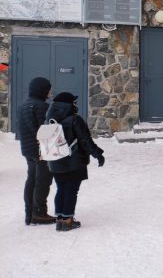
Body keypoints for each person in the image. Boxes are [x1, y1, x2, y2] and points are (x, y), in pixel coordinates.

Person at [45, 92, 105, 231]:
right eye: (73, 102)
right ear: (68, 104)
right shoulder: (74, 119)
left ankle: (60, 219)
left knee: (61, 189)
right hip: (74, 162)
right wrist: (98, 154)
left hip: (55, 161)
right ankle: (67, 221)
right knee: (71, 190)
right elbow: (85, 140)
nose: (75, 104)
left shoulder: (49, 118)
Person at [17, 76, 56, 226]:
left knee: (32, 179)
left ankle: (30, 213)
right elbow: (44, 131)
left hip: (28, 149)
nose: (50, 91)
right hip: (41, 150)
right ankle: (39, 213)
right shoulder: (42, 107)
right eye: (48, 88)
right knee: (42, 181)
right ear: (42, 89)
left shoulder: (24, 105)